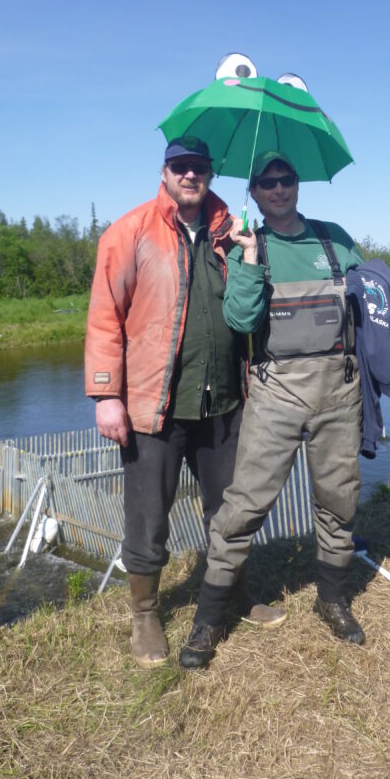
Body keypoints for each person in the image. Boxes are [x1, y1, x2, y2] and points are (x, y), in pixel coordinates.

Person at [85, 136, 285, 669]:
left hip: (224, 401)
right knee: (148, 517)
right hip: (155, 406)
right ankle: (146, 613)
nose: (190, 176)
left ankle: (233, 595)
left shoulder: (231, 231)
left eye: (199, 167)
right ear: (165, 171)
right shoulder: (129, 232)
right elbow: (105, 316)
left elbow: (253, 308)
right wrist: (107, 394)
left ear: (211, 173)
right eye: (180, 167)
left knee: (230, 510)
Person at [179, 150, 366, 670]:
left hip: (338, 389)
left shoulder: (334, 239)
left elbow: (370, 299)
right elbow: (240, 318)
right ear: (255, 192)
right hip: (275, 393)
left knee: (339, 498)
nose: (278, 189)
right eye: (266, 182)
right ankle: (210, 618)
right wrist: (250, 261)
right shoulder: (247, 245)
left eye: (286, 179)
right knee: (244, 506)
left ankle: (331, 598)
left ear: (298, 185)